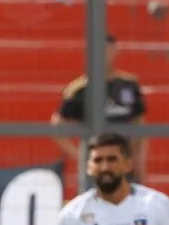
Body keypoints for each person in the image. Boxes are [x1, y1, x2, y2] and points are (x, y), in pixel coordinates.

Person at [52, 34, 149, 182]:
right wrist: (80, 155)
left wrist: (137, 159)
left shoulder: (129, 85)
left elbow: (140, 125)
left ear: (116, 52)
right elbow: (57, 126)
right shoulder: (80, 89)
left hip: (124, 162)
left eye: (108, 50)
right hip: (95, 164)